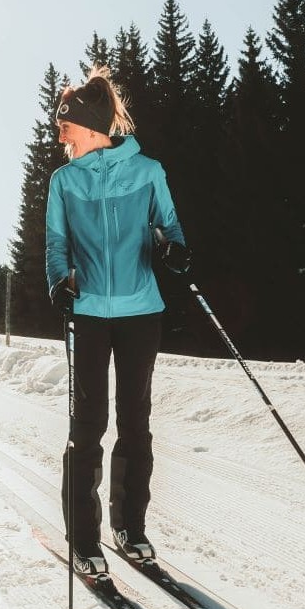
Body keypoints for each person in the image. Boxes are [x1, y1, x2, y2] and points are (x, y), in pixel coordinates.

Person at [45, 66, 190, 574]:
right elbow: (56, 245)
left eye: (66, 126)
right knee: (86, 428)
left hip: (140, 313)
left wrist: (175, 250)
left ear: (91, 125)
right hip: (87, 314)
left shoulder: (148, 172)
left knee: (135, 424)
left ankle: (129, 526)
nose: (60, 134)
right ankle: (84, 541)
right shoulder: (63, 182)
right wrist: (59, 280)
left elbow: (169, 226)